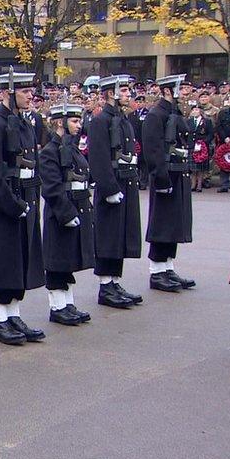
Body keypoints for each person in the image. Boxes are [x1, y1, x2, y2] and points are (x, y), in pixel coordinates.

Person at [0, 71, 46, 345]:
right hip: (5, 205)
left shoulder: (25, 124)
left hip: (25, 200)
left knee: (19, 262)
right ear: (8, 93)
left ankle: (13, 314)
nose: (31, 96)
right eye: (25, 91)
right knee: (2, 264)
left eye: (31, 91)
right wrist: (13, 205)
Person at [87, 75, 143, 309]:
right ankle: (105, 284)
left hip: (125, 181)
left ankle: (114, 281)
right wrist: (108, 188)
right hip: (112, 183)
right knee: (108, 236)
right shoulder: (100, 121)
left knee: (120, 234)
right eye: (125, 90)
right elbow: (99, 158)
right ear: (111, 93)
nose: (129, 94)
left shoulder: (123, 119)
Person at [39, 103, 94, 326]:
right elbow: (52, 187)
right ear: (60, 123)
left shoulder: (71, 148)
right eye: (74, 121)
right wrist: (66, 213)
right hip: (60, 214)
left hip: (77, 206)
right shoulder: (50, 152)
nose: (79, 125)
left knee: (68, 260)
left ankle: (67, 303)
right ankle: (57, 306)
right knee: (57, 263)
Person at [142, 75, 196, 293]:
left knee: (174, 223)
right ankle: (157, 271)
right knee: (162, 223)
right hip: (166, 175)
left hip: (178, 173)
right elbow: (153, 150)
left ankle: (167, 266)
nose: (185, 92)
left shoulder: (173, 113)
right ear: (167, 91)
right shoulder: (156, 115)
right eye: (179, 88)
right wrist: (161, 179)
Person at [188, 104, 214, 192]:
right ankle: (193, 184)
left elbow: (211, 134)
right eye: (193, 110)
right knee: (192, 168)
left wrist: (204, 142)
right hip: (192, 146)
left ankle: (199, 184)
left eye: (197, 110)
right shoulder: (188, 121)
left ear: (200, 112)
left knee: (200, 167)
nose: (195, 112)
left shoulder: (207, 121)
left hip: (202, 147)